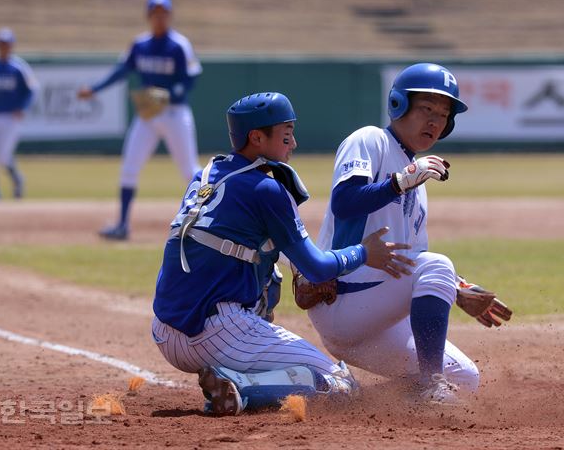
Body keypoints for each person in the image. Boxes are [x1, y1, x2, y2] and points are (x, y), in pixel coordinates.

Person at [151, 91, 412, 415]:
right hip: (216, 335)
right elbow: (317, 268)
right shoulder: (267, 189)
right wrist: (363, 252)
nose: (294, 144)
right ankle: (240, 387)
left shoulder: (204, 177)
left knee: (264, 267)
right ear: (257, 137)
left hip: (164, 331)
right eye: (286, 135)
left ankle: (239, 368)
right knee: (341, 385)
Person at [304, 63, 506, 405]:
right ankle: (430, 384)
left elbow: (414, 260)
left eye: (443, 115)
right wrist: (403, 180)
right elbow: (345, 203)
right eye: (426, 108)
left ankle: (348, 401)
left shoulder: (418, 186)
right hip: (343, 298)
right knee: (438, 264)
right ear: (399, 104)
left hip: (376, 322)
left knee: (466, 378)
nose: (434, 121)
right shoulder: (370, 140)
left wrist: (459, 290)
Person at [78, 0, 202, 240]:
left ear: (169, 15)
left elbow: (192, 76)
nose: (159, 16)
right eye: (155, 12)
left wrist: (170, 93)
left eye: (163, 12)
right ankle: (122, 225)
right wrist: (95, 89)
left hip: (175, 113)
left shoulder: (179, 44)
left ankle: (206, 221)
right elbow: (121, 71)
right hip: (148, 115)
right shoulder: (140, 44)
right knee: (129, 168)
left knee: (190, 171)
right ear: (148, 16)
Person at [0, 28, 38, 200]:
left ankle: (17, 180)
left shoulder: (18, 67)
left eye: (6, 43)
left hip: (11, 118)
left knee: (4, 156)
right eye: (0, 43)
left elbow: (32, 90)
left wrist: (23, 107)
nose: (3, 46)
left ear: (12, 45)